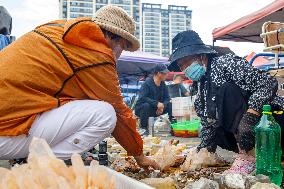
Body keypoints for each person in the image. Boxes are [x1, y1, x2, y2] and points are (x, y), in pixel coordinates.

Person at [0, 5, 159, 169]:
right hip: (5, 133)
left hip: (8, 123)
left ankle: (30, 159)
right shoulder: (96, 52)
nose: (120, 55)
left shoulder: (57, 29)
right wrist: (139, 156)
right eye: (124, 48)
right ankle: (35, 165)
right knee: (106, 115)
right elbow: (120, 113)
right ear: (115, 39)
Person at [168, 30, 284, 174]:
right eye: (181, 66)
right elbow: (209, 126)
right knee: (215, 129)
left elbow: (268, 83)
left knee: (226, 91)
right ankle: (248, 155)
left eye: (187, 62)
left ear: (201, 55)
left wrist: (250, 116)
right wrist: (198, 154)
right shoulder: (200, 88)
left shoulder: (225, 63)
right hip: (246, 136)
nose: (185, 68)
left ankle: (249, 156)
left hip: (270, 124)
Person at [135, 64, 172, 135]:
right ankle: (144, 128)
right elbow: (143, 97)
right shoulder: (147, 83)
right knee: (146, 105)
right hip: (143, 109)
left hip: (158, 109)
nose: (166, 75)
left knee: (170, 105)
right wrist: (157, 104)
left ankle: (173, 127)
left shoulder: (163, 84)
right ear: (158, 73)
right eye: (165, 73)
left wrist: (162, 106)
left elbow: (167, 98)